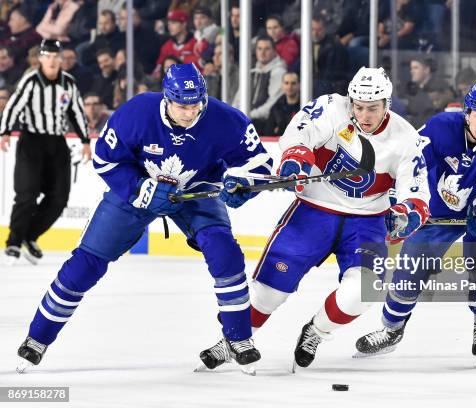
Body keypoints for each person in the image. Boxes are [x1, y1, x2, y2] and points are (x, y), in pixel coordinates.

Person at [15, 63, 273, 375]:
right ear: (167, 99)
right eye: (182, 106)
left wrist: (244, 184)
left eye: (196, 105)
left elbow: (258, 163)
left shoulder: (224, 118)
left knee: (224, 251)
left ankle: (238, 338)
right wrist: (140, 189)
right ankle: (38, 337)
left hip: (196, 191)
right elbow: (105, 159)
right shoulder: (137, 112)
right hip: (138, 190)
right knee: (85, 264)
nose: (190, 113)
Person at [199, 67, 431, 370]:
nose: (364, 115)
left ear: (387, 104)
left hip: (366, 222)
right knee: (269, 291)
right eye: (358, 106)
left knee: (361, 293)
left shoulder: (405, 138)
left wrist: (407, 213)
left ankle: (317, 331)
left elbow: (415, 192)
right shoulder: (333, 107)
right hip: (313, 210)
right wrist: (296, 157)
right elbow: (301, 131)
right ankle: (232, 340)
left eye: (372, 108)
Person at [354, 83, 476, 368]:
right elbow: (412, 163)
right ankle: (392, 329)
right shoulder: (442, 127)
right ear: (467, 113)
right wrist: (402, 199)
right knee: (411, 263)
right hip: (437, 210)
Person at [0, 39, 91, 266]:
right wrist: (4, 133)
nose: (51, 60)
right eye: (47, 56)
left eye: (55, 56)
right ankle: (14, 242)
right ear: (40, 58)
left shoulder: (68, 83)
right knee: (26, 195)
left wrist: (86, 141)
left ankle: (29, 236)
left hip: (57, 144)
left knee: (59, 197)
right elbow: (14, 106)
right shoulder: (30, 80)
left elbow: (77, 112)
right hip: (31, 142)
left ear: (60, 59)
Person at [266, 71, 300, 136]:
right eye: (286, 83)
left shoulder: (305, 105)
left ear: (299, 85)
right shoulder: (276, 108)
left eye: (293, 83)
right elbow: (268, 133)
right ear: (282, 85)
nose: (290, 87)